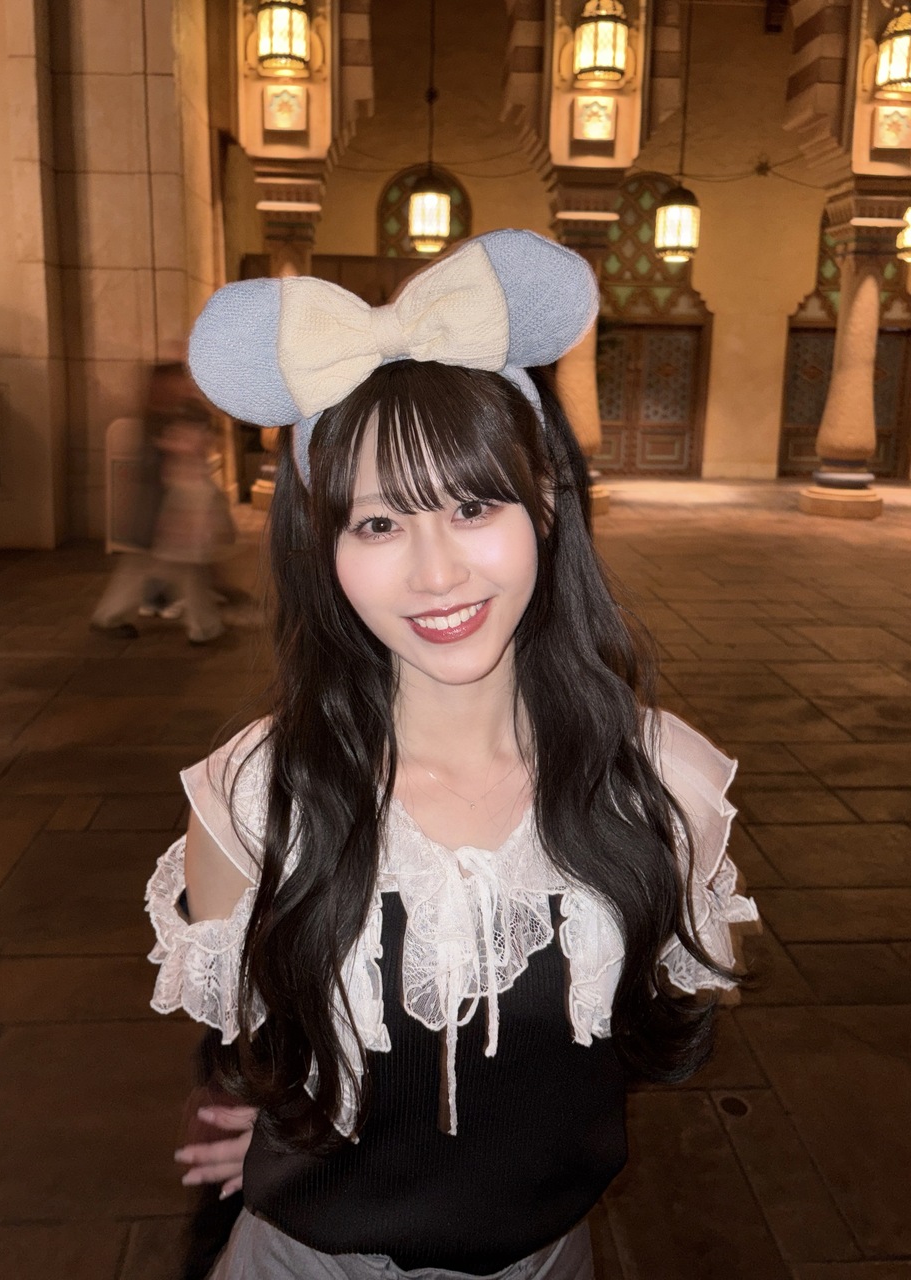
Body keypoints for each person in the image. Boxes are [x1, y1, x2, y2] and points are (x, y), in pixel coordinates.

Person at [145, 230, 758, 1279]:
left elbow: (637, 1036)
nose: (436, 574)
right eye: (378, 523)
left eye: (473, 506)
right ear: (323, 547)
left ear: (547, 504)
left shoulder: (666, 787)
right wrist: (283, 1121)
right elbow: (255, 1047)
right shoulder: (251, 799)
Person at [91, 362, 233, 644]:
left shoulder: (172, 414)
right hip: (166, 509)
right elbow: (161, 468)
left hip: (173, 507)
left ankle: (203, 626)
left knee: (178, 568)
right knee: (163, 567)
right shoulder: (160, 419)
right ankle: (202, 627)